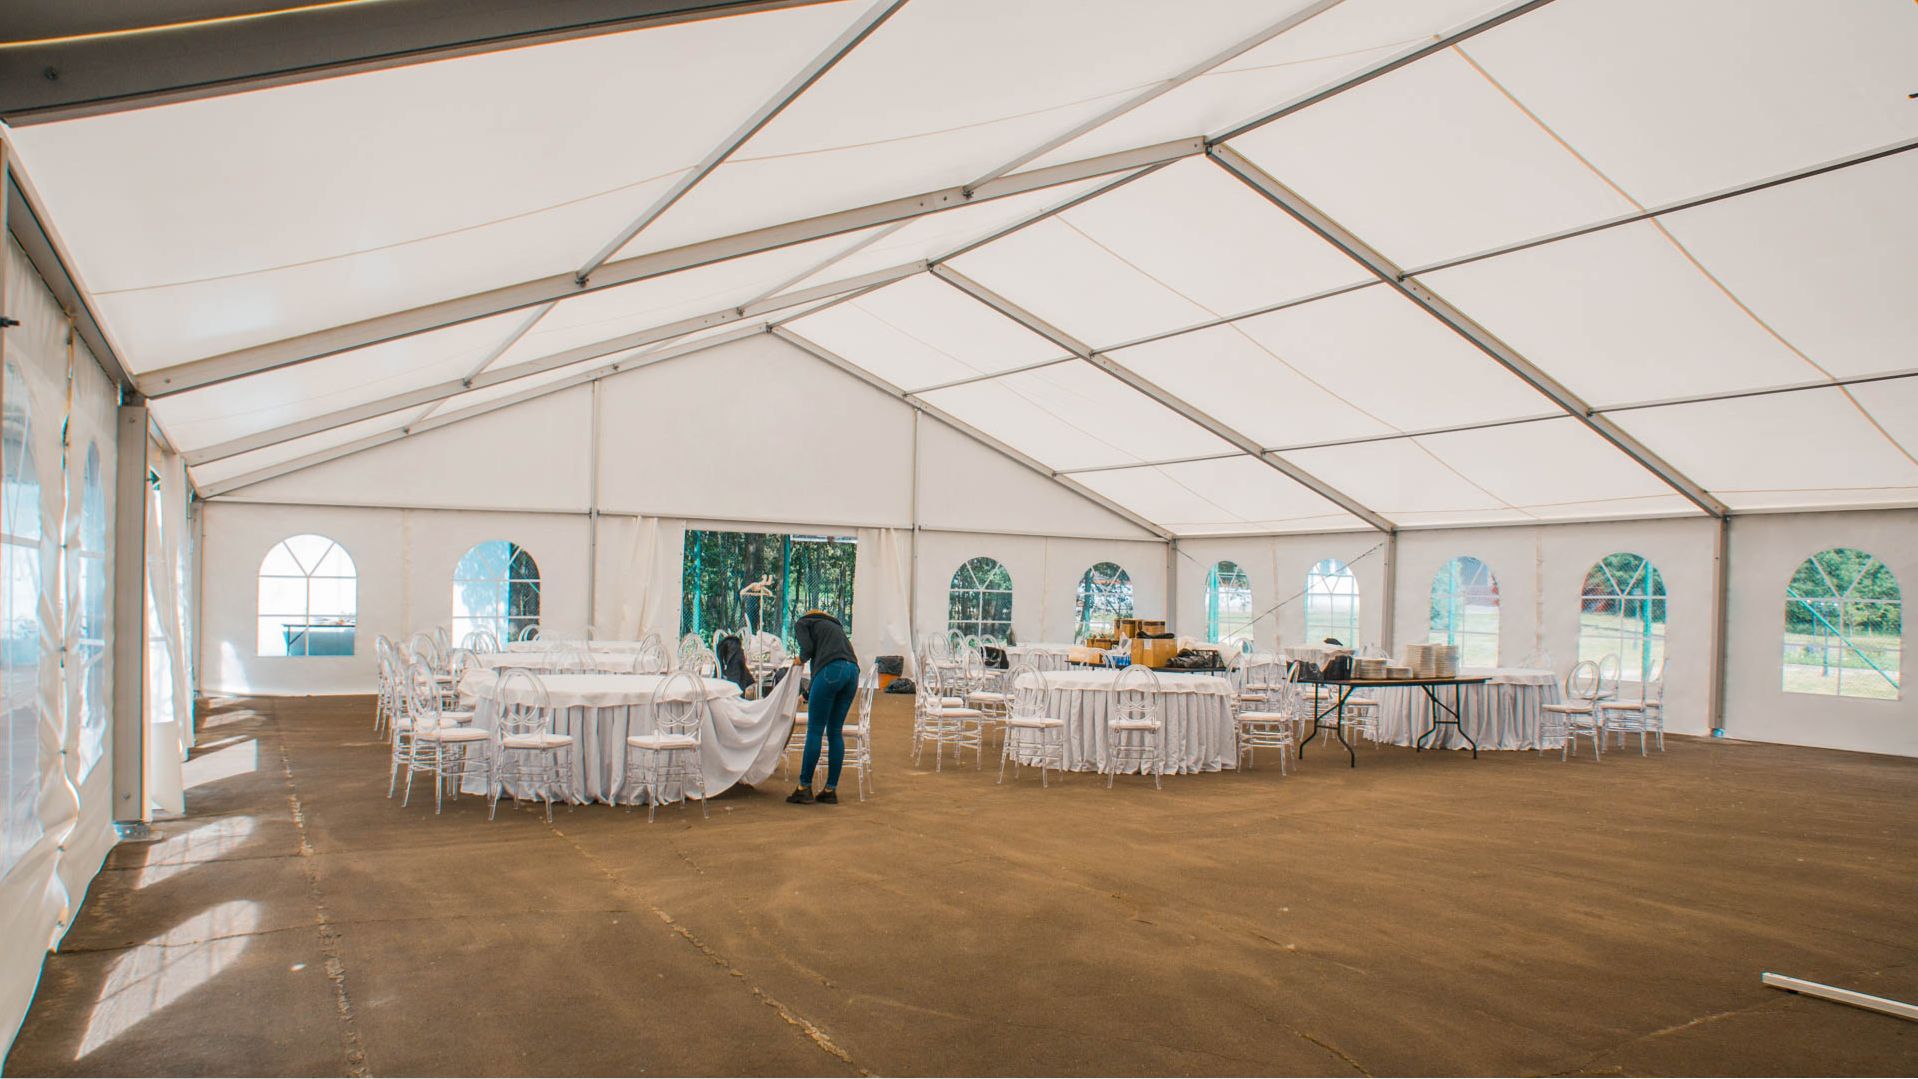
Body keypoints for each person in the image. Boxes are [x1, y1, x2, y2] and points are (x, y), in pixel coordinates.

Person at [787, 609, 859, 805]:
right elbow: (823, 664)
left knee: (815, 730)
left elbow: (808, 650)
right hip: (852, 672)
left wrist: (799, 660)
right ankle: (830, 790)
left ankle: (804, 787)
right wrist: (807, 695)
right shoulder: (834, 626)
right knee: (835, 731)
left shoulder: (803, 622)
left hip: (831, 671)